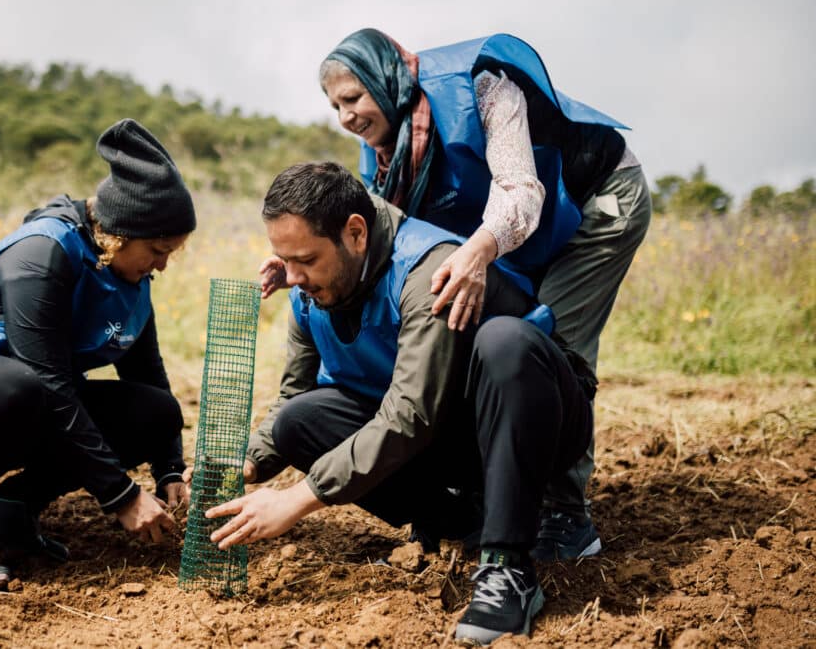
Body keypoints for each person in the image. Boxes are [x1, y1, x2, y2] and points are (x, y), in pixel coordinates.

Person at [261, 29, 651, 560]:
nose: (345, 116)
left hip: (594, 199)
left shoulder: (482, 87)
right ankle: (478, 492)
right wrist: (303, 266)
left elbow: (520, 192)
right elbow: (371, 236)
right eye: (334, 107)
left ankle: (566, 513)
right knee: (482, 322)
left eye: (352, 98)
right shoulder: (385, 146)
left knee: (547, 340)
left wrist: (478, 249)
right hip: (520, 226)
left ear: (386, 78)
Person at [210, 162, 594, 643]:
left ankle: (506, 567)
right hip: (452, 437)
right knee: (298, 422)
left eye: (305, 259)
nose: (292, 276)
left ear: (355, 233)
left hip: (534, 424)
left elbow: (411, 414)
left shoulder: (427, 270)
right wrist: (245, 462)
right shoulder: (309, 292)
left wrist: (296, 499)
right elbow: (296, 393)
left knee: (504, 341)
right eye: (283, 259)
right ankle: (462, 523)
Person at [0, 119, 195, 589]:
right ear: (118, 234)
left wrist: (168, 466)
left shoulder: (129, 276)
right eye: (157, 250)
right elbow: (46, 380)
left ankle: (10, 508)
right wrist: (121, 496)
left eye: (173, 252)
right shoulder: (43, 253)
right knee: (15, 385)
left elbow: (145, 374)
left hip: (17, 401)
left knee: (155, 411)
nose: (163, 264)